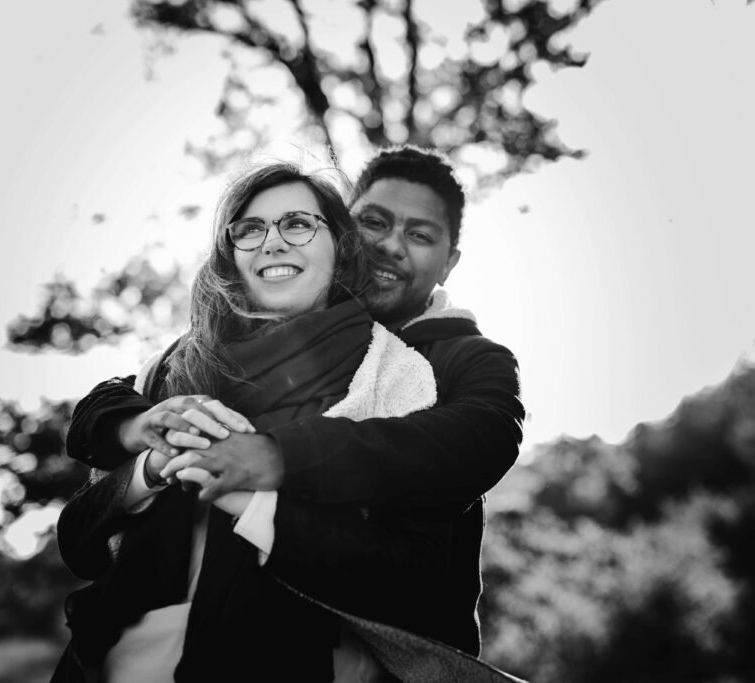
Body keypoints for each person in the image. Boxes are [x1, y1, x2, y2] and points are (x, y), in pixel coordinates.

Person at [60, 146, 526, 678]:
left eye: (420, 235)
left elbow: (469, 444)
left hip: (381, 652)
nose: (389, 246)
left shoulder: (450, 360)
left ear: (449, 261)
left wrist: (274, 460)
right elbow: (115, 409)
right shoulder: (201, 353)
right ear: (348, 230)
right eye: (373, 221)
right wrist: (134, 431)